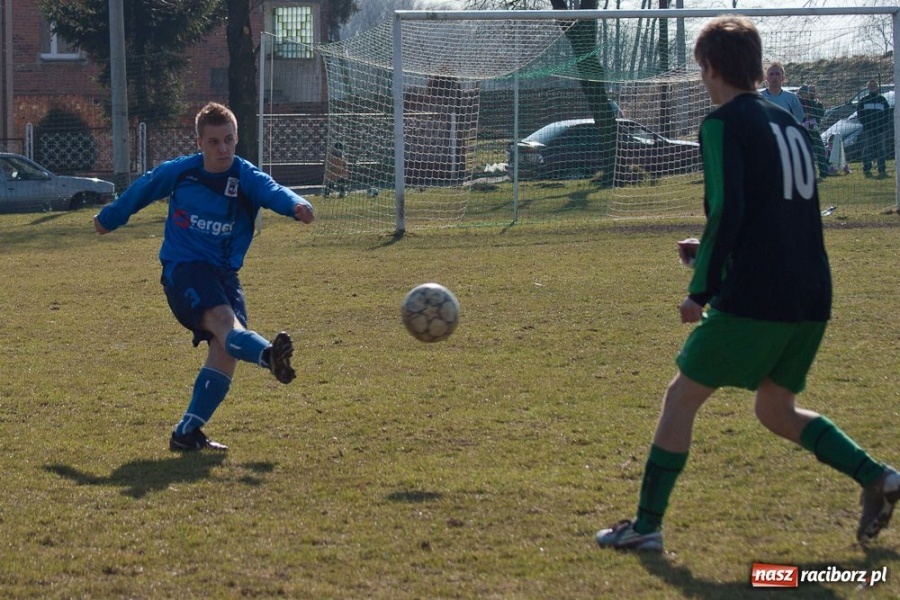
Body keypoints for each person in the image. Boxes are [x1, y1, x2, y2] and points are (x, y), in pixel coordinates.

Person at [595, 16, 899, 553]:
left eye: (700, 68)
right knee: (774, 409)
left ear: (709, 67)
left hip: (760, 296)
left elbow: (728, 210)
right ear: (756, 66)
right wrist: (716, 253)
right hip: (811, 291)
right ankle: (879, 477)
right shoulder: (789, 123)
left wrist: (702, 289)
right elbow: (775, 214)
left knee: (680, 398)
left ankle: (645, 526)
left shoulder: (721, 123)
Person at [93, 102, 315, 452]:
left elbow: (274, 191)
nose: (222, 148)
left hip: (225, 275)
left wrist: (297, 205)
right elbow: (142, 189)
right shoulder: (181, 172)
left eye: (228, 140)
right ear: (199, 142)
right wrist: (109, 218)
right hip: (184, 270)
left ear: (237, 138)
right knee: (225, 323)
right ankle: (269, 356)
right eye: (213, 142)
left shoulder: (245, 177)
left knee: (226, 347)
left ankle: (186, 432)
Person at [857, 79, 890, 177]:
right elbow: (860, 114)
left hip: (880, 130)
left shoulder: (882, 100)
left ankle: (882, 169)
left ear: (877, 87)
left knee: (881, 149)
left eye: (874, 85)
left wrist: (883, 126)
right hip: (868, 129)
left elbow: (887, 114)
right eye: (870, 86)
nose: (872, 87)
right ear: (867, 87)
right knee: (867, 149)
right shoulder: (863, 100)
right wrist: (866, 125)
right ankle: (866, 169)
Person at [797, 84, 830, 179]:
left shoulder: (814, 102)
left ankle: (824, 171)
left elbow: (821, 113)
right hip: (803, 130)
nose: (807, 94)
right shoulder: (798, 102)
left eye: (809, 92)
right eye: (805, 92)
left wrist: (816, 106)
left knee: (820, 149)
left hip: (813, 130)